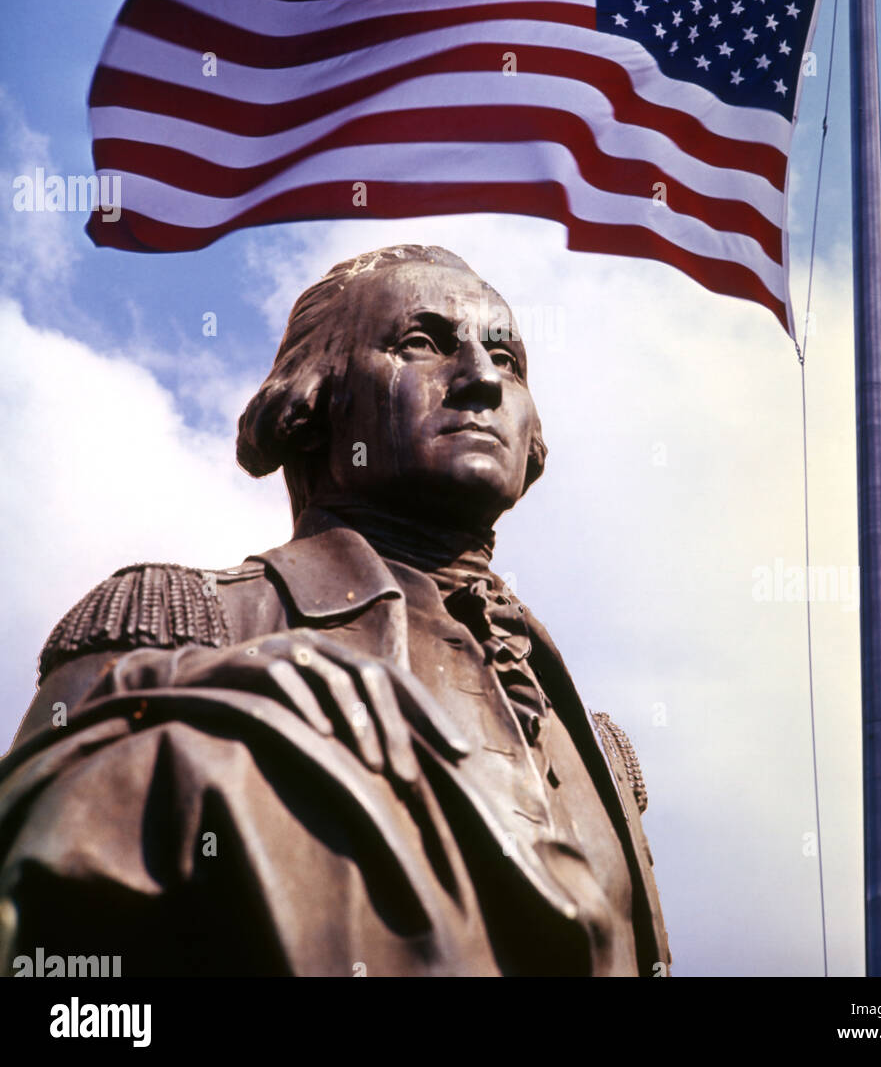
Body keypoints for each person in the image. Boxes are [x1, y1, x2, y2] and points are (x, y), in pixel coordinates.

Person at [0, 245, 670, 977]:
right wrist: (205, 722)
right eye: (421, 343)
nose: (481, 379)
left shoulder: (600, 749)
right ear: (314, 400)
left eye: (507, 358)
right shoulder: (181, 624)